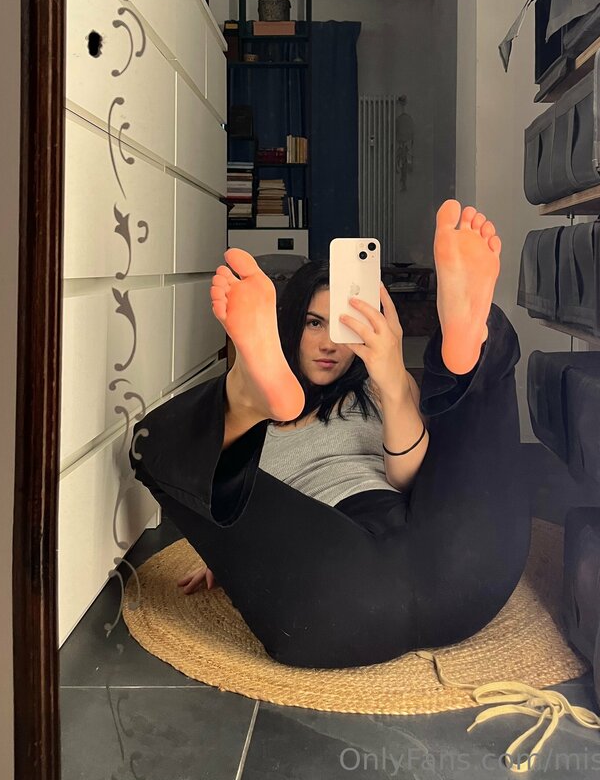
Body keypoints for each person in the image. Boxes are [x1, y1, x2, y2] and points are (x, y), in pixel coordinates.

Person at [129, 200, 532, 669]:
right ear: (289, 326)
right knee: (153, 442)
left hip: (456, 557)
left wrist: (391, 378)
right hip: (338, 576)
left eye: (342, 325)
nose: (329, 344)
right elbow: (253, 520)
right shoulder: (239, 440)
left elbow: (410, 480)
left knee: (474, 383)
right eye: (313, 323)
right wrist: (229, 549)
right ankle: (244, 394)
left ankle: (465, 341)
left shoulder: (378, 386)